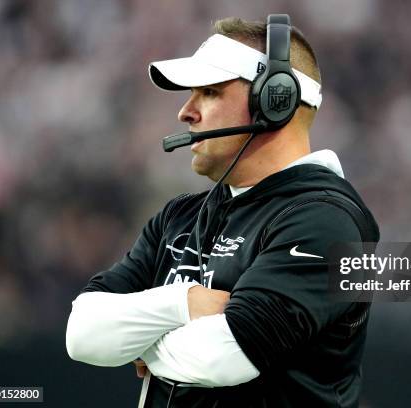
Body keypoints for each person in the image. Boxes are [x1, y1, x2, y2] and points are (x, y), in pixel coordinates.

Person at [66, 15, 379, 407]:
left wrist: (141, 342)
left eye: (209, 92)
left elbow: (224, 358)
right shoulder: (179, 216)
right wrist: (184, 303)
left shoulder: (329, 222)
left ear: (274, 100)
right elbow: (81, 334)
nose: (185, 112)